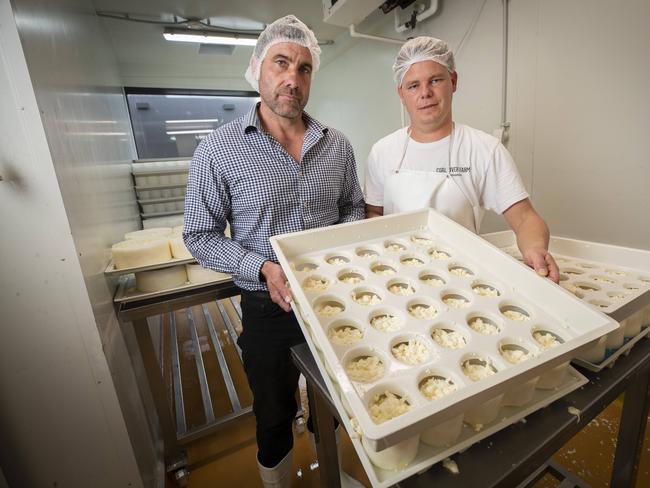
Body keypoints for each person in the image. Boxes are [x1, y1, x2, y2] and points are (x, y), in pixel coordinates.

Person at [183, 15, 365, 488]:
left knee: (339, 399)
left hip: (333, 301)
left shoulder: (337, 146)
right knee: (273, 411)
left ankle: (331, 471)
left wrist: (333, 255)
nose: (293, 78)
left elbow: (352, 211)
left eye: (304, 68)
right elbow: (199, 234)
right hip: (268, 307)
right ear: (256, 69)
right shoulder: (219, 149)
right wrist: (261, 266)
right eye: (281, 63)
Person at [365, 36, 559, 283]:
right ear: (401, 93)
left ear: (453, 81)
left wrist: (535, 249)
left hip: (461, 279)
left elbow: (525, 218)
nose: (425, 93)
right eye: (413, 85)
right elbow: (373, 212)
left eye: (435, 80)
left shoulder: (484, 150)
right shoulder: (382, 151)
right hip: (397, 277)